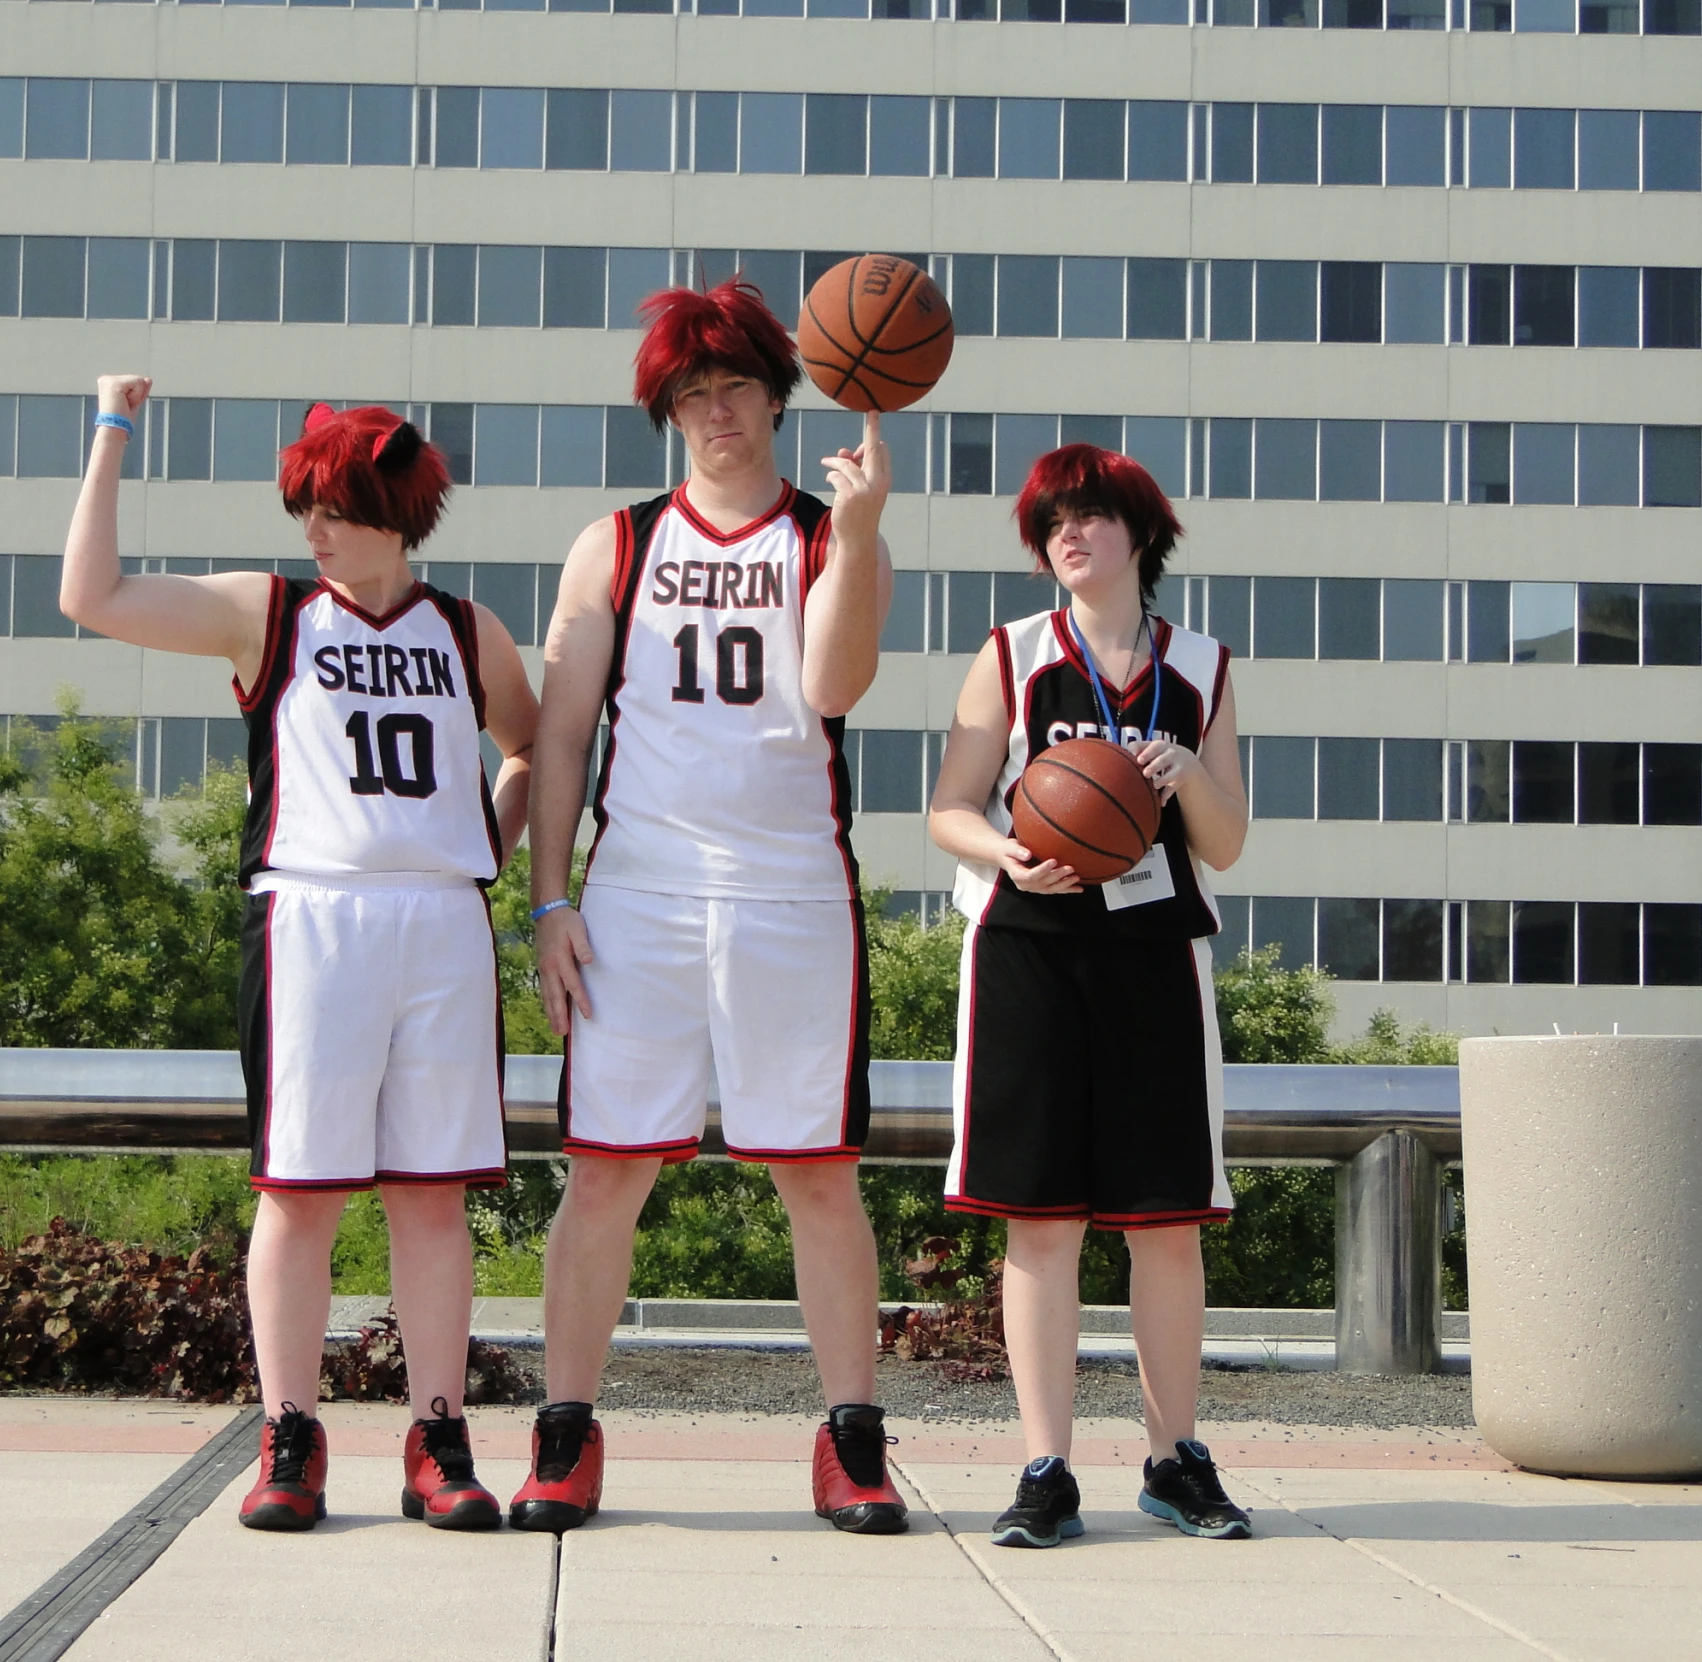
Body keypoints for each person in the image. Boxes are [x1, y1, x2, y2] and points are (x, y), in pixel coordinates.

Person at [61, 379, 539, 1534]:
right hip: (310, 916)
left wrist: (491, 844)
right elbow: (92, 595)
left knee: (432, 1202)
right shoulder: (265, 613)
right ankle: (290, 1435)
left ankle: (438, 1438)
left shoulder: (467, 630)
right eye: (304, 507)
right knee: (301, 1196)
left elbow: (530, 744)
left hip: (439, 922)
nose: (313, 528)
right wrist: (111, 431)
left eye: (334, 505)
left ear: (395, 508)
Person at [511, 279, 905, 1535]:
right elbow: (561, 740)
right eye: (690, 395)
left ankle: (850, 1440)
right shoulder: (614, 542)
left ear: (776, 394)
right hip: (638, 894)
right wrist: (548, 901)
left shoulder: (819, 532)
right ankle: (565, 1435)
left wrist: (863, 532)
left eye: (733, 386)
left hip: (790, 888)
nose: (713, 412)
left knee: (817, 1176)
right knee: (604, 1171)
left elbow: (835, 684)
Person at [925, 443, 1253, 1546]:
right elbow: (948, 808)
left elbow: (1228, 840)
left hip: (1155, 953)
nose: (1067, 534)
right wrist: (1009, 852)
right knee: (1041, 1217)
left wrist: (1186, 777)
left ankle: (1172, 1460)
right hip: (1028, 948)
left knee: (1165, 1224)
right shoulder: (1013, 655)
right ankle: (1044, 1467)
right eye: (1050, 523)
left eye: (1088, 516)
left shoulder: (1199, 664)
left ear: (1138, 532)